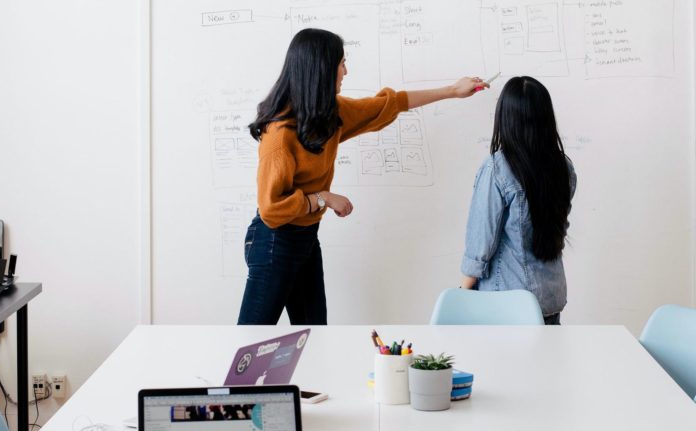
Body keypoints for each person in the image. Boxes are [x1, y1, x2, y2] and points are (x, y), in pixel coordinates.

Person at [238, 28, 489, 325]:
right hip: (273, 242)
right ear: (321, 69)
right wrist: (322, 198)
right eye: (341, 63)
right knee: (252, 340)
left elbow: (389, 104)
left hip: (305, 239)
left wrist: (452, 91)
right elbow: (271, 210)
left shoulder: (329, 115)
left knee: (315, 337)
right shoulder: (280, 136)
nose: (346, 71)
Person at [460, 76, 576, 325]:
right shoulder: (563, 167)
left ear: (505, 117)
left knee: (499, 365)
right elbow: (558, 229)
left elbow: (481, 243)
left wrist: (461, 293)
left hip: (506, 302)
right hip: (550, 298)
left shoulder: (497, 168)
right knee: (544, 364)